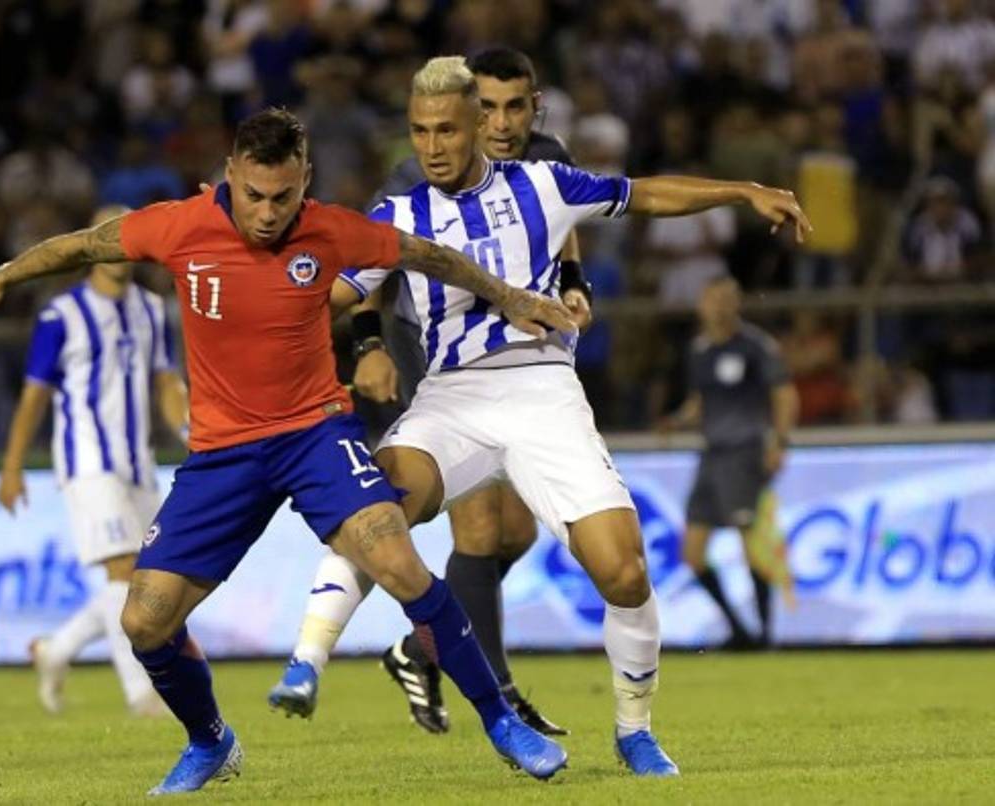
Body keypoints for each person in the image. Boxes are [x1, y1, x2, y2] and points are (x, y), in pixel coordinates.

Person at [0, 108, 576, 794]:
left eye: (283, 197)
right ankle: (210, 741)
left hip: (315, 435)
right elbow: (83, 245)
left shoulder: (332, 230)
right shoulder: (180, 225)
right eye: (255, 195)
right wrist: (4, 275)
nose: (269, 212)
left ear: (304, 180)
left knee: (398, 560)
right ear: (231, 175)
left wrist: (509, 295)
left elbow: (429, 255)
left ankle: (500, 722)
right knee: (143, 620)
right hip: (224, 455)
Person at [264, 56, 810, 777]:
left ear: (481, 126)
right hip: (450, 397)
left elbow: (645, 194)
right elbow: (331, 296)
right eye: (419, 132)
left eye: (447, 130)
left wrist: (743, 191)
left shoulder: (546, 186)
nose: (431, 146)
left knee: (623, 572)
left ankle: (634, 731)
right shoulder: (395, 216)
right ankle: (305, 663)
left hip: (544, 393)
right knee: (384, 502)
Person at [270, 46, 587, 736]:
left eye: (514, 107)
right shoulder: (415, 175)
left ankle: (421, 649)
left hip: (519, 355)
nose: (502, 123)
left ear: (533, 106)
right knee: (477, 526)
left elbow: (563, 235)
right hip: (430, 350)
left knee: (516, 531)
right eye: (490, 107)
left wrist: (574, 286)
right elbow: (369, 264)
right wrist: (369, 345)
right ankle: (500, 696)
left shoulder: (547, 160)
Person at [0, 205, 189, 717]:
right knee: (122, 571)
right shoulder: (61, 315)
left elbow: (165, 380)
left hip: (138, 461)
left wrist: (190, 429)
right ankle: (142, 696)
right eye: (109, 235)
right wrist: (12, 466)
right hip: (86, 459)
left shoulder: (152, 307)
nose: (120, 244)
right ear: (90, 242)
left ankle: (55, 650)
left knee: (149, 579)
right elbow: (35, 395)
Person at [659, 276, 799, 648]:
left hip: (744, 453)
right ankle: (739, 629)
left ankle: (765, 635)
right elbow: (701, 401)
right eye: (713, 299)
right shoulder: (700, 349)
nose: (719, 306)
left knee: (750, 545)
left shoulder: (755, 347)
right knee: (692, 552)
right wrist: (677, 420)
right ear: (702, 305)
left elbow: (784, 395)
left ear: (737, 304)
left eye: (727, 299)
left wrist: (779, 443)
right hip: (711, 455)